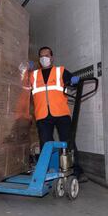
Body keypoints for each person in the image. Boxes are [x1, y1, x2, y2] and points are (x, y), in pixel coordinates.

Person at [29, 46, 86, 181]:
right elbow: (21, 83)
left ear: (52, 58)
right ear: (39, 59)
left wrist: (74, 81)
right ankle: (49, 170)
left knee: (68, 142)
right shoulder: (33, 75)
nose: (44, 58)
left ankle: (77, 171)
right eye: (41, 56)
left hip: (61, 113)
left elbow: (72, 81)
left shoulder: (60, 71)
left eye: (47, 56)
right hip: (43, 115)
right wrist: (26, 70)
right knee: (46, 144)